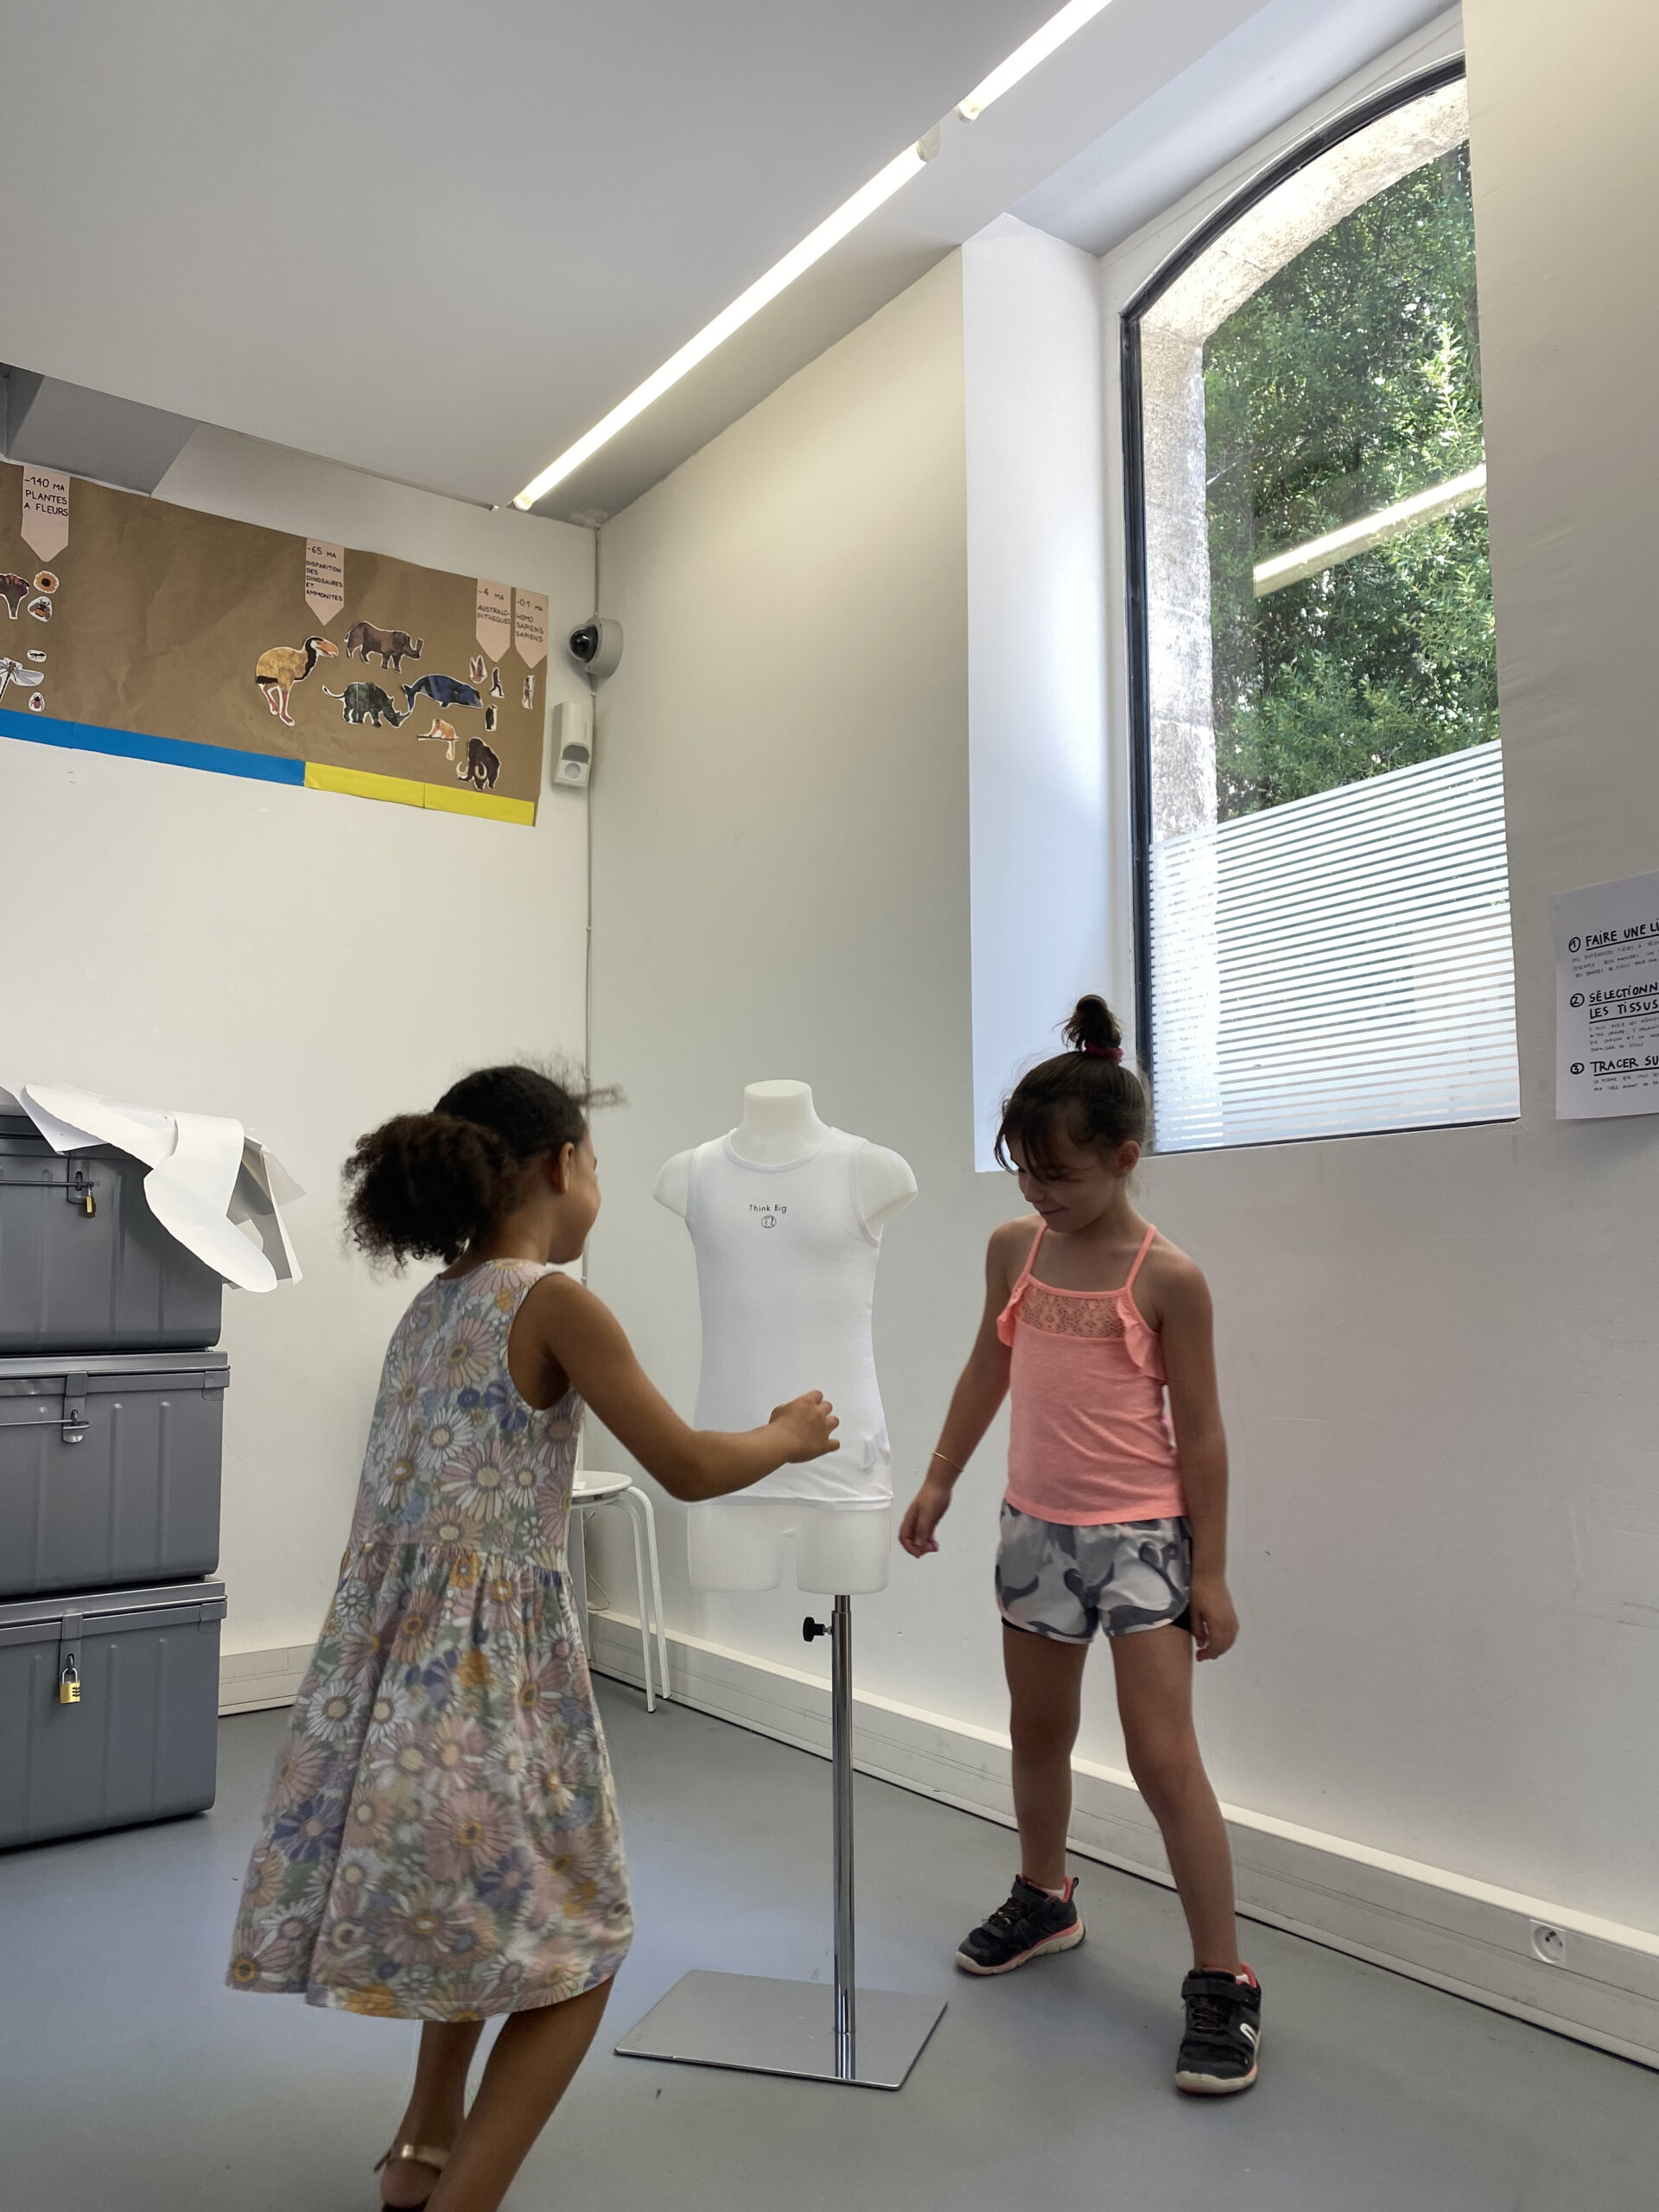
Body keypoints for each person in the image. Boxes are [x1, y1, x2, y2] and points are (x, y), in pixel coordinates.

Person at [226, 1065, 838, 2211]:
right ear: (563, 1165)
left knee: (487, 1926)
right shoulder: (554, 1302)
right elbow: (688, 1466)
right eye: (596, 1162)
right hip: (488, 1697)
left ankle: (420, 2153)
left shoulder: (430, 1307)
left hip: (389, 1700)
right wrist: (787, 1433)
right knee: (576, 1950)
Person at [899, 997, 1261, 2095]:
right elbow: (988, 1366)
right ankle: (1044, 1894)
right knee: (1037, 1728)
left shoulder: (1167, 1276)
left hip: (1142, 1541)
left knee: (1162, 1756)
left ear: (1124, 1158)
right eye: (1022, 1170)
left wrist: (1211, 1570)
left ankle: (1222, 1976)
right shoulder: (1015, 1250)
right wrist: (941, 1474)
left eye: (1056, 1174)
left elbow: (1203, 1431)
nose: (1035, 1193)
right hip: (1034, 1530)